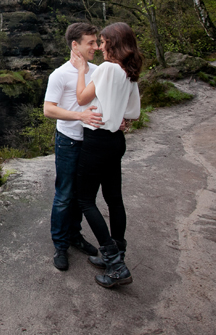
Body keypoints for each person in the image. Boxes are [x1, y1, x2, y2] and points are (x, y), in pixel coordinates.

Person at [70, 22, 142, 288]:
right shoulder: (128, 71)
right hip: (116, 142)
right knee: (114, 199)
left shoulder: (107, 69)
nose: (99, 47)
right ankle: (118, 253)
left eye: (102, 41)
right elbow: (133, 113)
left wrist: (81, 71)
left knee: (85, 199)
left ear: (113, 43)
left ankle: (115, 263)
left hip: (97, 141)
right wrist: (118, 118)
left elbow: (81, 99)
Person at [42, 22, 103, 270]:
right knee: (65, 195)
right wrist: (80, 116)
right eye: (91, 42)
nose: (97, 47)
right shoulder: (59, 74)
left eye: (97, 42)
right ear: (75, 45)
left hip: (91, 142)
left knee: (82, 195)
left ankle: (75, 235)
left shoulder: (99, 71)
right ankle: (60, 244)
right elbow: (48, 109)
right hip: (68, 141)